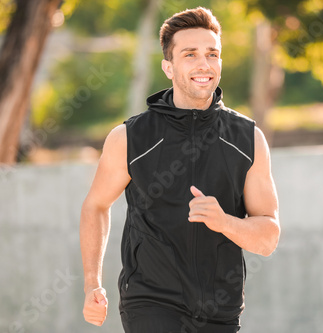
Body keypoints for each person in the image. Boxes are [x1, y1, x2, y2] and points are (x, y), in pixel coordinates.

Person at [80, 7, 280, 333]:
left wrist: (224, 222)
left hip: (220, 311)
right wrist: (92, 284)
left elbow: (268, 237)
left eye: (212, 54)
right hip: (149, 302)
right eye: (190, 54)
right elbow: (96, 205)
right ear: (168, 67)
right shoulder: (131, 137)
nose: (204, 64)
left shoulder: (248, 139)